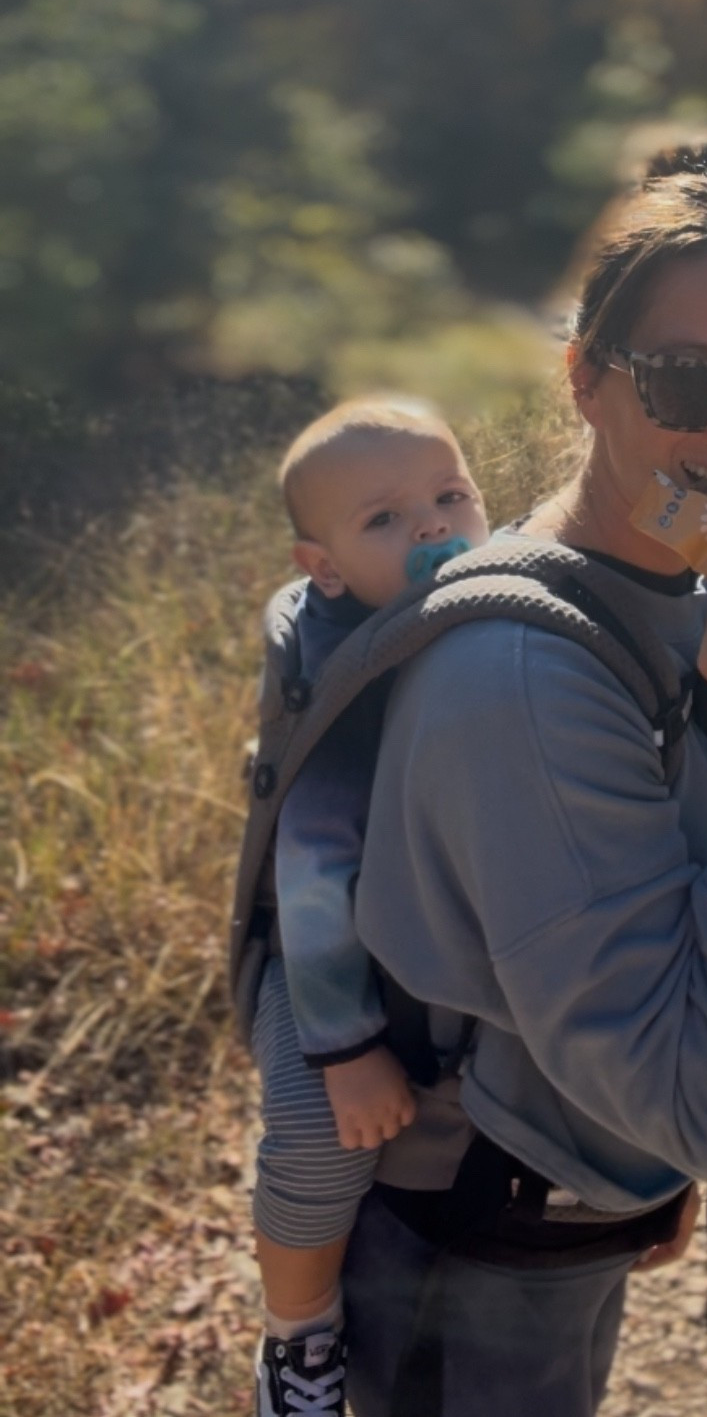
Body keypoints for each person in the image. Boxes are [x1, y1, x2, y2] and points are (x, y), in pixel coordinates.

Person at [341, 138, 707, 1417]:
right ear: (585, 380)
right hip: (479, 1240)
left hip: (568, 1176)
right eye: (688, 379)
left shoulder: (672, 583)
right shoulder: (522, 678)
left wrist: (643, 1165)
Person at [251, 398, 490, 1417]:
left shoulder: (490, 606)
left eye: (451, 494)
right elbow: (313, 867)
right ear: (326, 568)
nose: (434, 524)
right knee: (317, 1134)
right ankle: (298, 1337)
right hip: (322, 965)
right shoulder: (352, 670)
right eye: (384, 518)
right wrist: (345, 1046)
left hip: (426, 942)